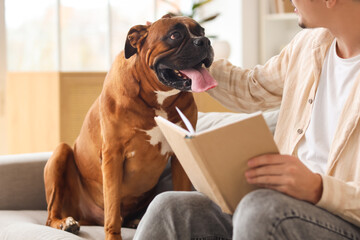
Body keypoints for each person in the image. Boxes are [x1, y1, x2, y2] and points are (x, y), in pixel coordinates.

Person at [134, 0, 360, 239]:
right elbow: (253, 88)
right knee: (169, 209)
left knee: (260, 209)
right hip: (276, 204)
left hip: (344, 221)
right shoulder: (309, 46)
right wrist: (190, 55)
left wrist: (318, 188)